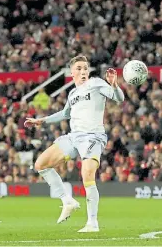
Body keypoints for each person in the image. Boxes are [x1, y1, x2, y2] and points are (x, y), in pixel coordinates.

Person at [24, 55, 124, 232]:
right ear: (71, 73)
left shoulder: (96, 83)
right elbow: (64, 113)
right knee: (41, 164)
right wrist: (42, 121)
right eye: (79, 68)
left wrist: (114, 85)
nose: (83, 71)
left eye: (85, 68)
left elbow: (119, 98)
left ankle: (92, 223)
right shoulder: (72, 93)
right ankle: (67, 201)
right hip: (74, 137)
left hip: (92, 137)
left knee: (87, 175)